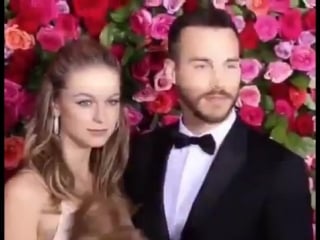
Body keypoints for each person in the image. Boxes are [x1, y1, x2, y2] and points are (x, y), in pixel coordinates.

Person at [124, 7, 313, 240]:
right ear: (172, 71)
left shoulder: (280, 169)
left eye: (230, 65)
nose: (219, 81)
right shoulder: (142, 152)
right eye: (202, 66)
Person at [5, 38, 137, 240]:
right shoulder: (25, 193)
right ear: (55, 104)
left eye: (111, 101)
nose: (101, 116)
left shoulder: (111, 189)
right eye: (85, 102)